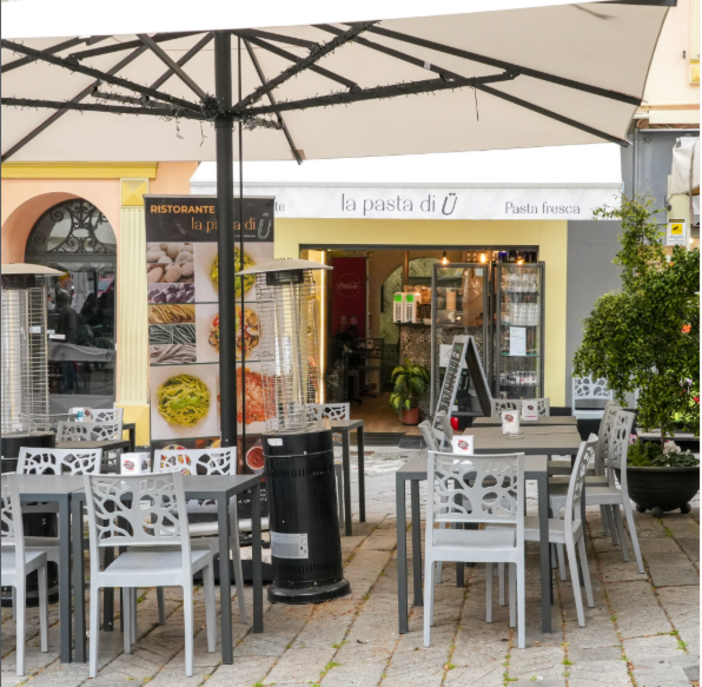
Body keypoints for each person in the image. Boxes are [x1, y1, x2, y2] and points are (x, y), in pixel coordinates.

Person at [56, 290, 78, 393]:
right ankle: (68, 385)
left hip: (67, 342)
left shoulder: (68, 311)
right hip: (64, 341)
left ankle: (69, 387)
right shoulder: (66, 310)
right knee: (66, 364)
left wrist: (68, 342)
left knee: (67, 365)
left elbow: (72, 328)